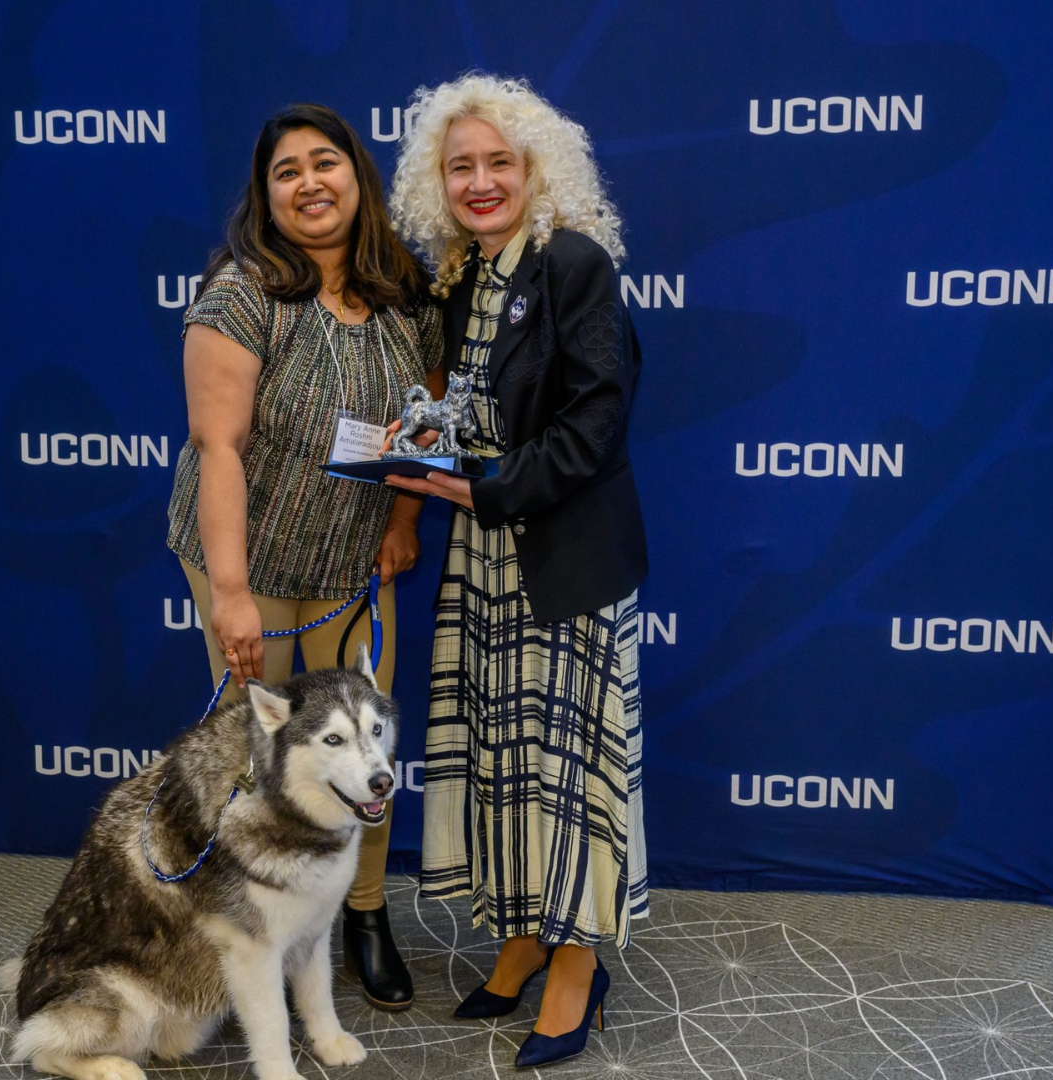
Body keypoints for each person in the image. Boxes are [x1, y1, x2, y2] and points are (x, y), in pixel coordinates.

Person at [384, 73, 648, 1067]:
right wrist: (413, 447)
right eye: (462, 166)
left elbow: (596, 424)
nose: (481, 180)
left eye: (500, 161)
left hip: (562, 556)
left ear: (538, 169)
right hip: (485, 560)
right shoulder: (461, 276)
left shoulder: (572, 264)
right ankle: (525, 934)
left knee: (567, 770)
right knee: (501, 758)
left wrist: (479, 490)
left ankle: (579, 961)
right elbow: (466, 417)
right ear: (437, 183)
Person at [165, 103, 440, 1011]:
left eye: (327, 163)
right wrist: (233, 593)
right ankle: (254, 932)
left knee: (366, 750)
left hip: (354, 560)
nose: (310, 183)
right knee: (260, 760)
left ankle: (364, 914)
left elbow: (422, 429)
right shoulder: (243, 296)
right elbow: (220, 451)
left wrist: (402, 522)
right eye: (288, 172)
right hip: (250, 561)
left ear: (358, 180)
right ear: (267, 196)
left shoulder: (406, 297)